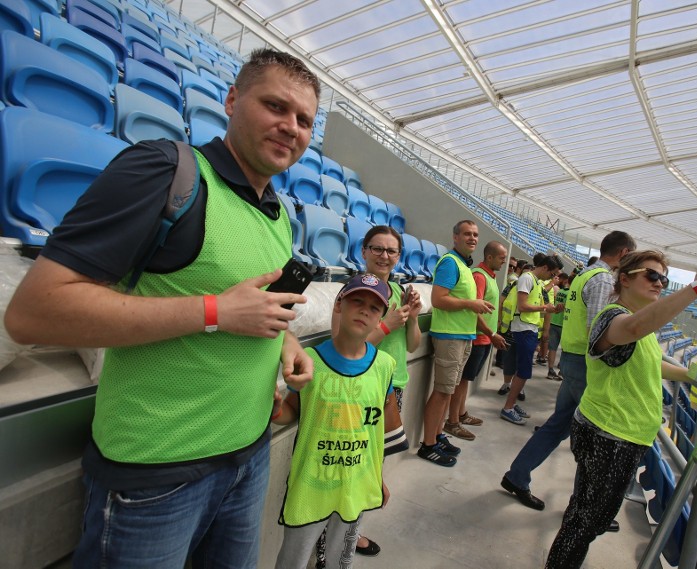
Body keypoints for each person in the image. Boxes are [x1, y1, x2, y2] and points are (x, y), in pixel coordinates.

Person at [3, 49, 319, 567]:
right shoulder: (164, 170)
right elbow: (35, 311)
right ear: (233, 100)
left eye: (304, 120)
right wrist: (215, 312)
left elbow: (250, 305)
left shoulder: (278, 214)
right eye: (276, 107)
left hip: (249, 457)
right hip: (155, 477)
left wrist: (284, 342)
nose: (290, 127)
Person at [544, 252, 697, 568]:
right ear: (624, 279)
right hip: (609, 436)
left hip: (619, 436)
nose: (659, 283)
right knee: (584, 524)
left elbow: (650, 363)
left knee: (588, 518)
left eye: (664, 279)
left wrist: (690, 374)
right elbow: (632, 328)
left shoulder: (638, 326)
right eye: (651, 275)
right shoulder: (613, 318)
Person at [274, 274, 405, 569]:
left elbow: (373, 433)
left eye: (374, 308)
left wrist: (377, 478)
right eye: (357, 301)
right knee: (293, 560)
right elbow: (293, 411)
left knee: (339, 561)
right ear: (339, 305)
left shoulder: (384, 366)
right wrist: (275, 411)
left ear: (381, 318)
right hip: (312, 485)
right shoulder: (311, 360)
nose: (364, 310)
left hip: (355, 487)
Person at [500, 231, 635, 510]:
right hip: (586, 365)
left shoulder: (585, 276)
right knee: (595, 434)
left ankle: (517, 475)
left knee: (558, 426)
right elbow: (599, 330)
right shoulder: (601, 280)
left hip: (574, 361)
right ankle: (584, 506)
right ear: (623, 254)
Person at [418, 220, 493, 467]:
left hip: (462, 336)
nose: (472, 238)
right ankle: (428, 445)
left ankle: (437, 436)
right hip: (449, 336)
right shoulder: (450, 263)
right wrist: (472, 304)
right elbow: (438, 300)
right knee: (441, 392)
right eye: (467, 234)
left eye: (475, 235)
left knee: (447, 392)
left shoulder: (462, 265)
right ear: (455, 237)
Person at [445, 241, 508, 441]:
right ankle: (452, 421)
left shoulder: (489, 276)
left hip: (485, 338)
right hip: (479, 336)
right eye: (501, 257)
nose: (504, 261)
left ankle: (461, 414)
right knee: (462, 382)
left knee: (467, 381)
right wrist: (491, 333)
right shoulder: (479, 276)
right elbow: (475, 308)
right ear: (489, 257)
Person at [498, 254, 560, 425]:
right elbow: (523, 306)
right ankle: (508, 408)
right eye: (552, 273)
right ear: (545, 268)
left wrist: (552, 310)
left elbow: (538, 307)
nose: (553, 278)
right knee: (524, 371)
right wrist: (544, 307)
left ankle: (513, 403)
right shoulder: (527, 278)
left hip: (529, 330)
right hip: (523, 330)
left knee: (522, 370)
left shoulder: (537, 282)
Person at [547, 272, 572, 380]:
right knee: (565, 349)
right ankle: (561, 371)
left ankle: (550, 370)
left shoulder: (561, 291)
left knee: (552, 348)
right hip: (564, 323)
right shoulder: (572, 294)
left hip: (554, 321)